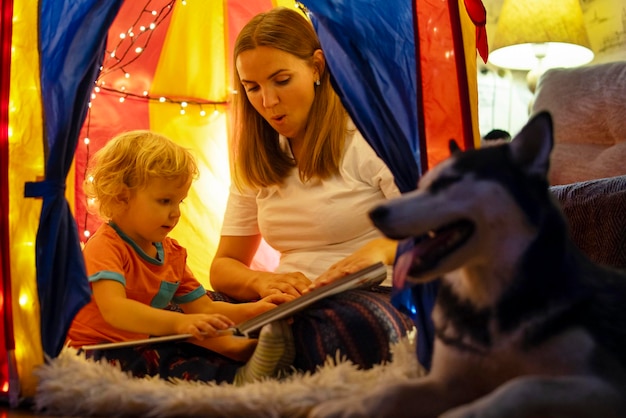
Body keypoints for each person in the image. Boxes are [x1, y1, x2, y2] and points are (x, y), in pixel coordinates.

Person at [210, 7, 414, 371]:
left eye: (281, 80)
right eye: (252, 88)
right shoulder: (257, 157)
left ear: (317, 67)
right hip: (286, 302)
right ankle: (265, 350)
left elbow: (431, 229)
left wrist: (379, 250)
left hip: (370, 294)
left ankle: (254, 358)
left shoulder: (367, 139)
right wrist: (262, 283)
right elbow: (224, 267)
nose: (268, 102)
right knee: (173, 311)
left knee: (353, 330)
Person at [66, 130, 295, 385]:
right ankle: (239, 371)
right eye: (165, 201)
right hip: (98, 350)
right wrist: (179, 324)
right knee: (166, 356)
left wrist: (255, 310)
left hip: (141, 341)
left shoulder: (172, 253)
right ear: (122, 197)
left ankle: (245, 358)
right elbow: (115, 311)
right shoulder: (106, 246)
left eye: (180, 202)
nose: (175, 213)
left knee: (185, 341)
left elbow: (204, 307)